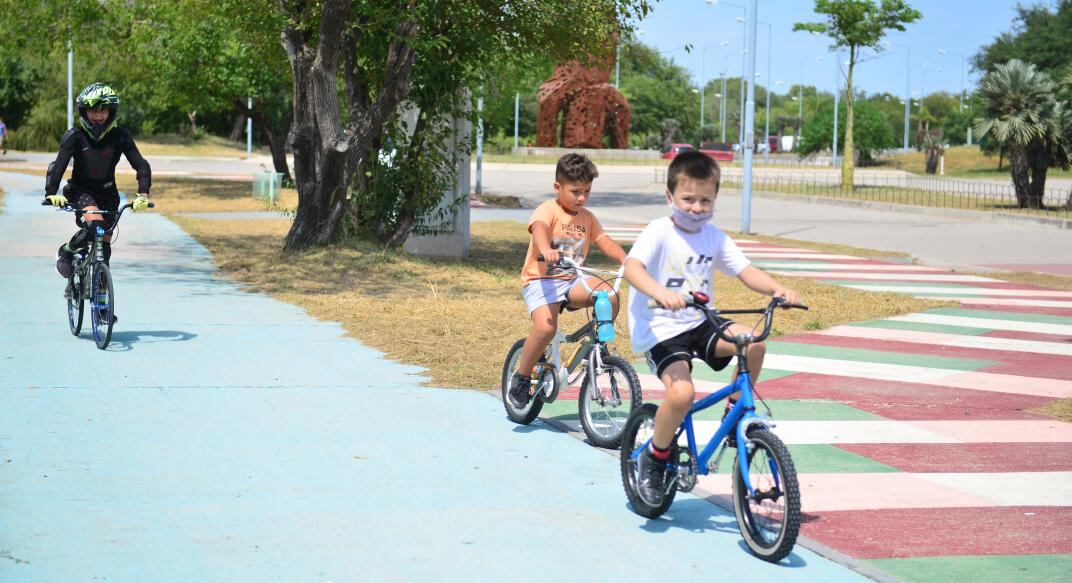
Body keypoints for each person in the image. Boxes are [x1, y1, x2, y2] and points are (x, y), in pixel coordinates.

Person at [622, 151, 801, 506]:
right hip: (660, 327)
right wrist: (660, 293)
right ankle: (654, 459)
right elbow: (632, 268)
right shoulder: (660, 231)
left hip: (700, 321)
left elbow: (745, 271)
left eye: (706, 200)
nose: (696, 208)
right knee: (682, 395)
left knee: (753, 344)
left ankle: (736, 417)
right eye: (688, 199)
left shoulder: (714, 237)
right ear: (670, 197)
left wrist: (777, 289)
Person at [506, 153, 628, 408]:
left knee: (610, 296)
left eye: (587, 191)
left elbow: (604, 241)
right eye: (575, 192)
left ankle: (596, 351)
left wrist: (626, 260)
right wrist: (545, 249)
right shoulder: (548, 210)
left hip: (573, 281)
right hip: (541, 281)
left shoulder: (587, 218)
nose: (581, 198)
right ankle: (521, 377)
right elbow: (539, 229)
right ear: (557, 187)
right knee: (546, 329)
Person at [43, 83, 151, 282]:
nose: (98, 115)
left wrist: (143, 195)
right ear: (84, 111)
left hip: (108, 194)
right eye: (93, 110)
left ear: (111, 112)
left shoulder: (121, 136)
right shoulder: (74, 136)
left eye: (103, 110)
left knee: (105, 242)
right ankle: (67, 251)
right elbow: (58, 166)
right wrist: (51, 193)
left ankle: (103, 307)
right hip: (80, 191)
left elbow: (142, 166)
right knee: (96, 228)